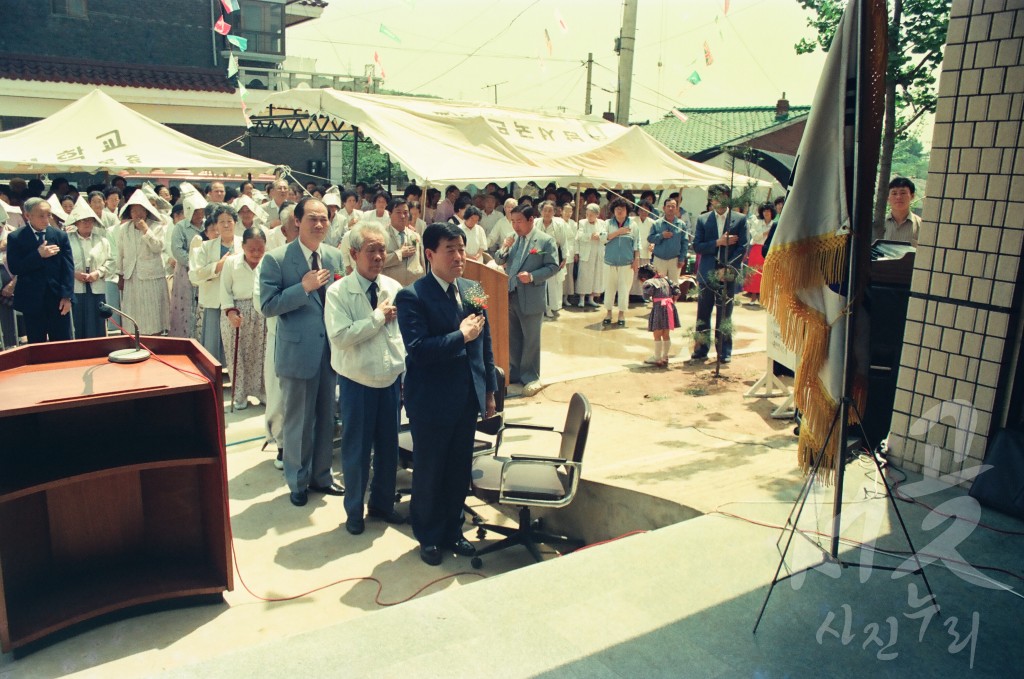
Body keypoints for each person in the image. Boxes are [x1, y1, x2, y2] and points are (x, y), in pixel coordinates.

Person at [395, 222, 497, 565]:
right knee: (430, 470)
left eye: (462, 248)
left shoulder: (474, 288)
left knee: (457, 469)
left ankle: (454, 530)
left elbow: (486, 341)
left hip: (467, 397)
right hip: (431, 400)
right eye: (450, 249)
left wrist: (489, 392)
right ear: (430, 254)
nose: (459, 256)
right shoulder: (412, 295)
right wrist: (460, 336)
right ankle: (429, 537)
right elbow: (419, 350)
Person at [259, 198, 345, 507]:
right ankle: (297, 481)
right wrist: (303, 288)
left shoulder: (334, 256)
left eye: (324, 219)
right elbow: (268, 306)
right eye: (312, 218)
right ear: (297, 221)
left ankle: (322, 476)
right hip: (297, 352)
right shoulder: (277, 259)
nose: (319, 224)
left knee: (326, 418)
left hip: (330, 351)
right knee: (298, 421)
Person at [325, 223, 407, 535]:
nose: (378, 256)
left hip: (388, 379)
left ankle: (383, 504)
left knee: (388, 449)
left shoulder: (392, 287)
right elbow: (341, 336)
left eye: (382, 249)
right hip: (356, 381)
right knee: (356, 450)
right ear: (354, 253)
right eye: (371, 250)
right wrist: (376, 318)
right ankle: (354, 511)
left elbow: (399, 335)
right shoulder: (338, 292)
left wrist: (402, 370)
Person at [493, 204, 559, 395]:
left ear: (531, 220)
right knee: (513, 337)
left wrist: (531, 276)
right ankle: (515, 372)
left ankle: (531, 376)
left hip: (531, 295)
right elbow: (499, 260)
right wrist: (505, 246)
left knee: (531, 339)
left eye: (519, 221)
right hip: (511, 295)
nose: (515, 225)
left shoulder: (545, 241)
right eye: (512, 221)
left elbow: (553, 266)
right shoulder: (514, 240)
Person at [254, 202, 298, 470]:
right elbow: (265, 304)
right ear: (286, 228)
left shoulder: (324, 257)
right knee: (279, 393)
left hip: (317, 338)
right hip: (281, 335)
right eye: (298, 222)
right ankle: (282, 444)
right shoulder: (272, 261)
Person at [692, 184, 748, 363]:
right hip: (707, 271)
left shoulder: (739, 219)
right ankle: (701, 350)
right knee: (703, 312)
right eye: (714, 197)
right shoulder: (703, 219)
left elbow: (742, 247)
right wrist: (718, 242)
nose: (717, 200)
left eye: (721, 196)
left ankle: (724, 352)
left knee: (725, 314)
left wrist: (728, 268)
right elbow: (697, 246)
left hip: (727, 273)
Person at [5, 197, 74, 343]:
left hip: (57, 298)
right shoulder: (16, 237)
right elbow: (15, 267)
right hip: (32, 299)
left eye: (48, 215)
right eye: (41, 215)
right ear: (28, 216)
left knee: (62, 343)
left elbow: (67, 268)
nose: (46, 219)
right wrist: (38, 255)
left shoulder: (59, 236)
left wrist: (66, 296)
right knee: (37, 344)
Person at [221, 227, 267, 411]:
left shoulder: (268, 263)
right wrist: (231, 313)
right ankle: (239, 395)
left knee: (262, 353)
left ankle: (263, 392)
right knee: (237, 355)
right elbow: (224, 291)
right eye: (251, 249)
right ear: (242, 246)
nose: (256, 254)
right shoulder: (231, 263)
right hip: (236, 312)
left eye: (260, 249)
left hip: (261, 312)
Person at [190, 205, 241, 365]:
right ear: (216, 225)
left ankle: (236, 374)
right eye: (221, 222)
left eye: (229, 221)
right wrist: (218, 265)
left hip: (238, 299)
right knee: (213, 341)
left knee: (237, 340)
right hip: (214, 300)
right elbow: (195, 275)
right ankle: (215, 374)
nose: (226, 225)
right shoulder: (206, 247)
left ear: (235, 223)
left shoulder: (244, 244)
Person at [117, 191, 169, 335]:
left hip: (151, 276)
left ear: (147, 211)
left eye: (141, 211)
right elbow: (120, 253)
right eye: (134, 211)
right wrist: (120, 275)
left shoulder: (157, 227)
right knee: (133, 313)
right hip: (131, 277)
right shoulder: (123, 229)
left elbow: (158, 247)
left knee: (152, 313)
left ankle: (154, 340)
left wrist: (146, 230)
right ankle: (133, 341)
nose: (137, 214)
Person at [66, 198, 114, 339]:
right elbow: (62, 262)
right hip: (75, 285)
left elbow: (111, 261)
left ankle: (98, 349)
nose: (86, 223)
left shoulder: (102, 240)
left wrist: (97, 273)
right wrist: (74, 274)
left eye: (89, 220)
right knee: (77, 319)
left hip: (96, 284)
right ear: (76, 223)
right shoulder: (67, 240)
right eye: (82, 220)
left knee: (97, 319)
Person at [168, 190, 208, 337]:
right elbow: (177, 250)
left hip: (204, 271)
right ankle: (183, 337)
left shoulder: (206, 225)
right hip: (185, 271)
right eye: (196, 212)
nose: (200, 215)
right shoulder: (180, 227)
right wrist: (194, 264)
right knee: (185, 305)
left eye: (202, 211)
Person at [601, 198, 640, 327]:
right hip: (609, 262)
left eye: (622, 208)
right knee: (609, 288)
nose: (619, 211)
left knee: (624, 289)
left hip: (627, 262)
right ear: (613, 210)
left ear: (627, 211)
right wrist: (619, 232)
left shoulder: (633, 225)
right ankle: (608, 313)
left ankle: (622, 314)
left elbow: (636, 244)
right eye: (617, 208)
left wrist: (636, 260)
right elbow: (603, 238)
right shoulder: (607, 223)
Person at [638, 264, 681, 367]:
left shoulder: (649, 283)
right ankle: (665, 357)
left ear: (643, 278)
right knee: (666, 334)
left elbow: (646, 296)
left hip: (658, 308)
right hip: (669, 307)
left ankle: (657, 358)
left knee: (657, 334)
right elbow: (677, 291)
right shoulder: (666, 280)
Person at [381, 198, 424, 286]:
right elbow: (378, 262)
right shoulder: (381, 236)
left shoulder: (415, 236)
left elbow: (421, 262)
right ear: (389, 214)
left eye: (405, 212)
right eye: (398, 212)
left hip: (414, 287)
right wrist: (399, 254)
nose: (403, 216)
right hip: (391, 287)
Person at [647, 198, 688, 284]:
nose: (670, 208)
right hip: (659, 259)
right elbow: (650, 238)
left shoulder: (681, 225)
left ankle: (673, 298)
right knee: (658, 284)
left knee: (674, 286)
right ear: (663, 208)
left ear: (677, 208)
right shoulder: (657, 223)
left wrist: (682, 258)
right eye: (668, 206)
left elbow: (684, 243)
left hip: (675, 260)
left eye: (673, 206)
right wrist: (661, 236)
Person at [575, 203, 605, 309]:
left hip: (598, 252)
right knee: (584, 275)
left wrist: (600, 236)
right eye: (587, 214)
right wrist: (590, 236)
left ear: (597, 215)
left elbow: (606, 235)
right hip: (586, 253)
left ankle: (591, 298)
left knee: (596, 275)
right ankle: (582, 299)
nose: (589, 217)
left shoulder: (602, 223)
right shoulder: (582, 222)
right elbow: (579, 236)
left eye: (591, 215)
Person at [880, 176, 920, 246]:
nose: (898, 197)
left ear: (912, 196)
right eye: (894, 193)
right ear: (887, 198)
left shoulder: (921, 225)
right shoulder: (879, 224)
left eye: (903, 193)